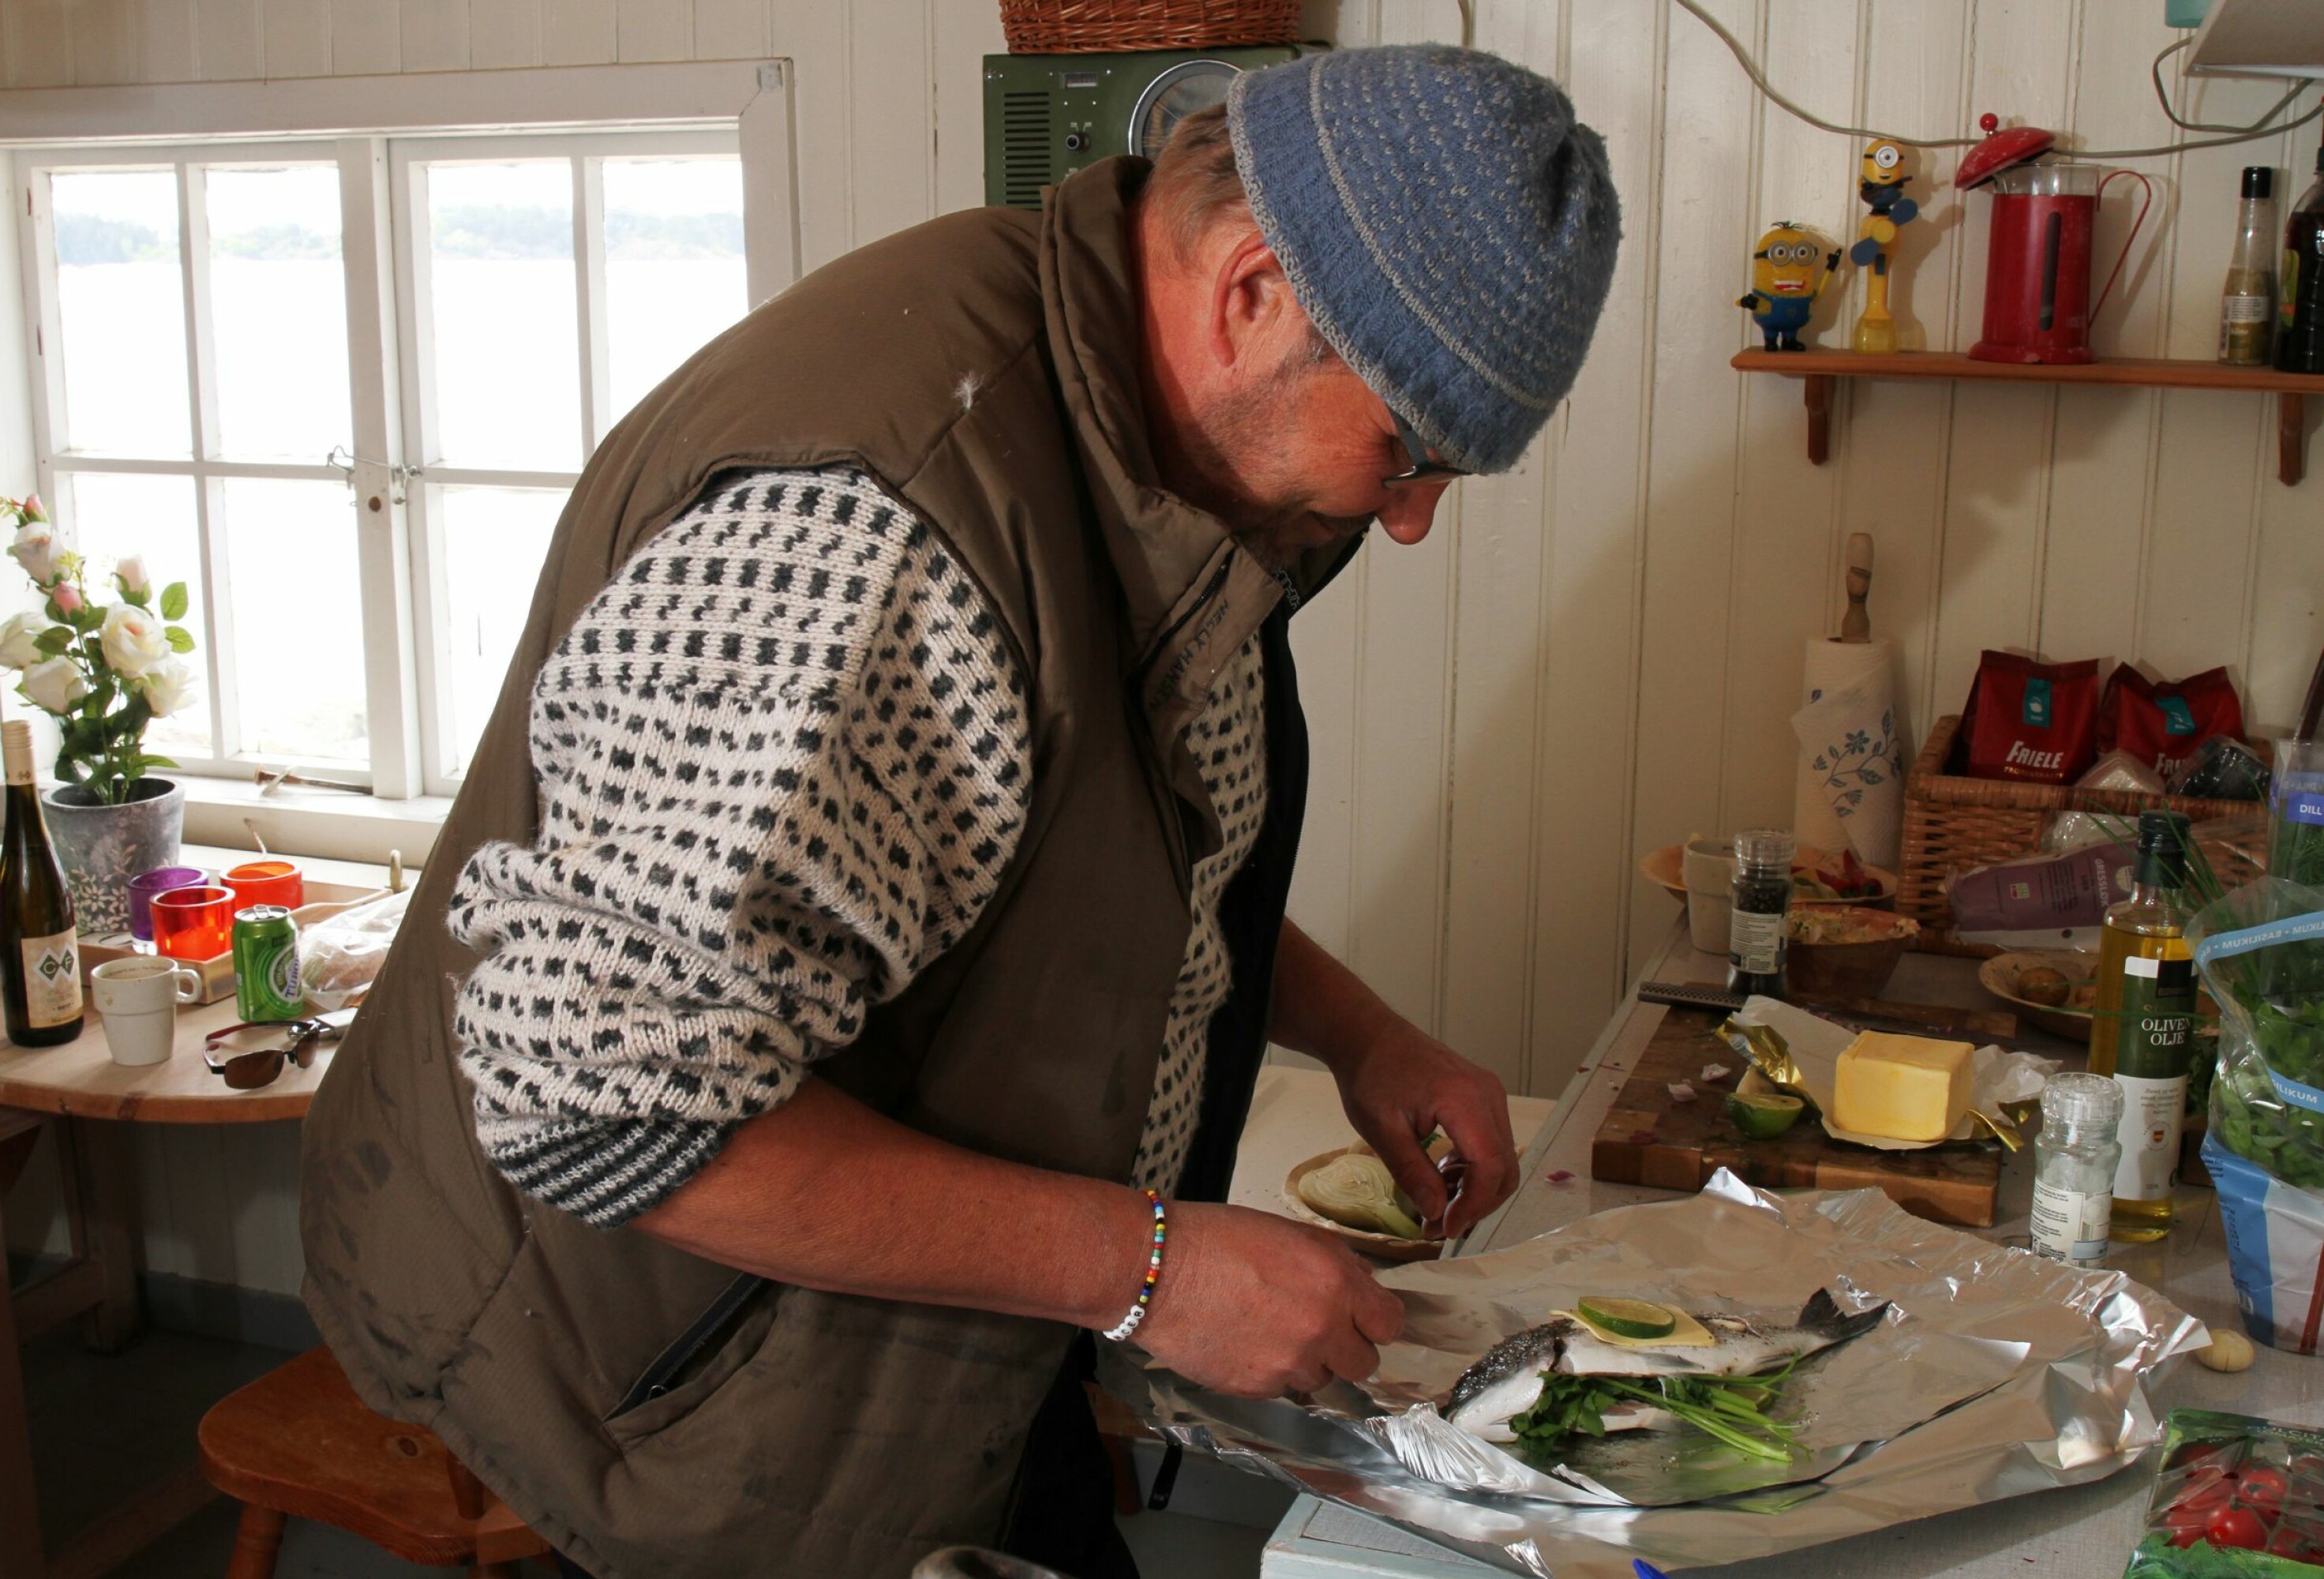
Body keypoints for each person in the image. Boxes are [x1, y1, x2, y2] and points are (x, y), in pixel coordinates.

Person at [300, 42, 1618, 1579]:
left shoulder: (1145, 422)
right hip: (660, 1368)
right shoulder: (884, 533)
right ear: (1254, 289)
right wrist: (1150, 1270)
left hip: (948, 1326)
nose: (1408, 516)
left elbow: (1052, 843)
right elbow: (599, 1100)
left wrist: (1357, 1029)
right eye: (1413, 449)